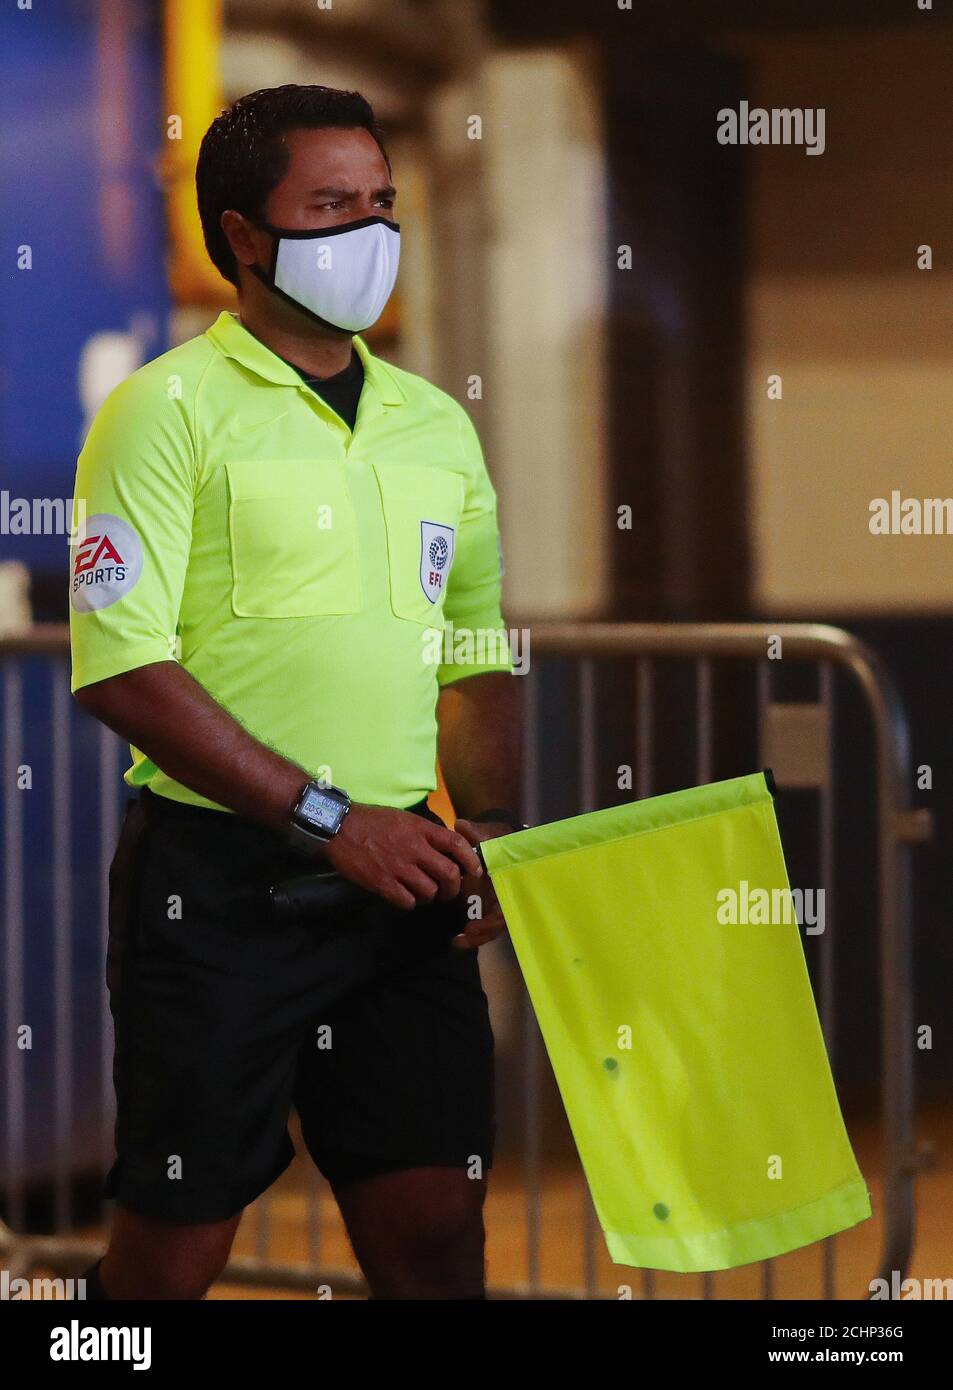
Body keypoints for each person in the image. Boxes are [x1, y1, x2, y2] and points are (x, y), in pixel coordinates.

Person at [69, 84, 521, 1301]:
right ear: (244, 237)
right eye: (330, 206)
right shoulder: (161, 412)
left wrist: (492, 830)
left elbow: (474, 650)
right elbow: (123, 666)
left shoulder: (434, 426)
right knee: (174, 1244)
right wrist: (332, 822)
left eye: (380, 202)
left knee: (434, 1227)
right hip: (218, 894)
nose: (369, 232)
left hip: (404, 889)